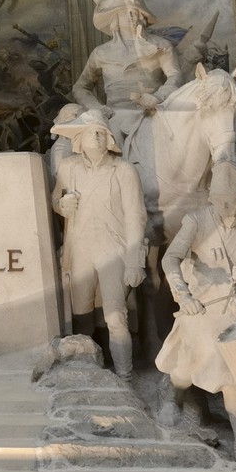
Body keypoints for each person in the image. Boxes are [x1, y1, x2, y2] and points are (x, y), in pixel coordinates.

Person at [155, 162, 236, 464]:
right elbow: (170, 259)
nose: (225, 208)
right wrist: (183, 295)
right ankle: (174, 394)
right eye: (220, 201)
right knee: (195, 356)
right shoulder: (197, 221)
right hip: (201, 307)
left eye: (231, 201)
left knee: (234, 368)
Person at [69, 0, 182, 215]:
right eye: (124, 12)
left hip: (153, 111)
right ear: (114, 18)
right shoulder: (100, 53)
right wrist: (97, 108)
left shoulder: (161, 45)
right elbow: (81, 87)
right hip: (115, 115)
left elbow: (175, 76)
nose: (131, 16)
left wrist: (158, 96)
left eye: (134, 11)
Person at [50, 110, 148, 378]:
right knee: (81, 316)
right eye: (91, 131)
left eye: (101, 132)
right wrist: (61, 205)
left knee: (115, 316)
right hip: (80, 249)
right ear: (78, 140)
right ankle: (89, 374)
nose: (96, 135)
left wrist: (134, 261)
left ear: (109, 139)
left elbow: (136, 216)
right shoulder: (68, 167)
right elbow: (55, 199)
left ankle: (125, 376)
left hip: (112, 249)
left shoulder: (124, 170)